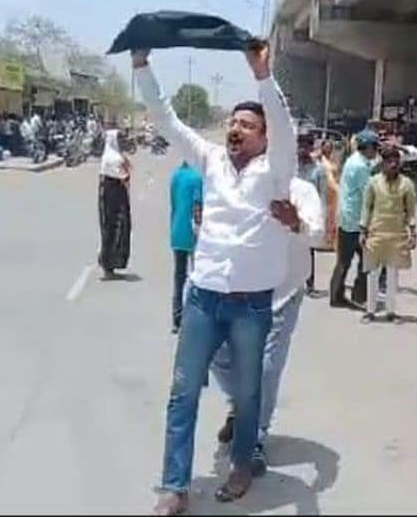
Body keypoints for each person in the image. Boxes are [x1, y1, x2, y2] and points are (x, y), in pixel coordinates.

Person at [134, 43, 297, 514]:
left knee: (248, 393)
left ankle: (242, 464)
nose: (235, 130)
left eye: (247, 125)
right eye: (233, 122)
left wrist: (263, 76)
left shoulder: (277, 169)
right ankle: (174, 486)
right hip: (203, 300)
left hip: (251, 305)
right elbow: (165, 118)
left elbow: (285, 126)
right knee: (183, 391)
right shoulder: (208, 160)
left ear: (264, 137)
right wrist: (142, 66)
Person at [210, 175, 323, 475]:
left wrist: (295, 221)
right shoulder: (239, 186)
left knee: (267, 367)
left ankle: (254, 438)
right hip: (239, 291)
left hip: (282, 296)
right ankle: (240, 405)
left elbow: (319, 235)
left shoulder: (302, 190)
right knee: (216, 355)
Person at [359, 146, 416, 323]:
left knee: (392, 276)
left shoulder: (407, 184)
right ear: (382, 163)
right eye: (389, 161)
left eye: (395, 160)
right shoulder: (373, 182)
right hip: (376, 233)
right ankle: (370, 311)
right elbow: (366, 207)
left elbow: (411, 211)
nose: (393, 164)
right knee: (373, 274)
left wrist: (413, 233)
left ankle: (391, 312)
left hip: (397, 235)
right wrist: (363, 230)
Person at [329, 129, 378, 309]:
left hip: (347, 216)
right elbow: (368, 192)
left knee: (345, 260)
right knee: (365, 260)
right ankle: (358, 295)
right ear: (368, 147)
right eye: (375, 147)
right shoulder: (360, 166)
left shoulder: (354, 161)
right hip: (354, 220)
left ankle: (338, 295)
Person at [169, 161, 202, 334]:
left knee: (179, 276)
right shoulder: (197, 178)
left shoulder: (175, 176)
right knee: (198, 276)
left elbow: (174, 203)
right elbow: (197, 207)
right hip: (193, 234)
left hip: (177, 231)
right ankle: (196, 318)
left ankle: (177, 318)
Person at [98, 129, 132, 279]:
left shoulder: (109, 155)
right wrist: (126, 169)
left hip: (109, 193)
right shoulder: (114, 158)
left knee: (110, 227)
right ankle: (109, 264)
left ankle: (109, 263)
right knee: (116, 227)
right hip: (115, 195)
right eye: (119, 139)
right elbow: (125, 175)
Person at [296, 132, 325, 292]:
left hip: (308, 217)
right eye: (299, 145)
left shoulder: (318, 169)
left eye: (305, 146)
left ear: (311, 147)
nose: (302, 149)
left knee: (308, 252)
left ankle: (310, 284)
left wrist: (320, 219)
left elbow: (322, 195)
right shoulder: (290, 166)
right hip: (290, 214)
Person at [318, 139, 340, 252]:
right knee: (325, 214)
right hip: (326, 187)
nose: (328, 149)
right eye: (326, 146)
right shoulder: (320, 160)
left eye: (330, 147)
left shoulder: (333, 160)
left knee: (332, 215)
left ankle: (330, 240)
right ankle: (323, 239)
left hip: (334, 189)